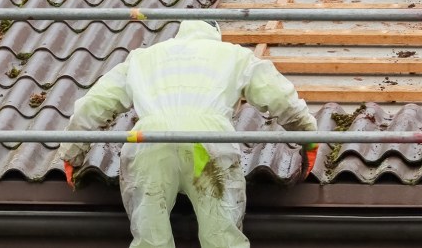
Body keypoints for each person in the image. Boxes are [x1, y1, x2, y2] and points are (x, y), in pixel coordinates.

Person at [58, 19, 318, 248]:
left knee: (150, 238)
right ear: (215, 32)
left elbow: (95, 104)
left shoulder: (143, 57)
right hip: (206, 146)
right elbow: (279, 97)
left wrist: (73, 151)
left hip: (151, 144)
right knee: (222, 238)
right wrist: (308, 137)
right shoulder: (233, 55)